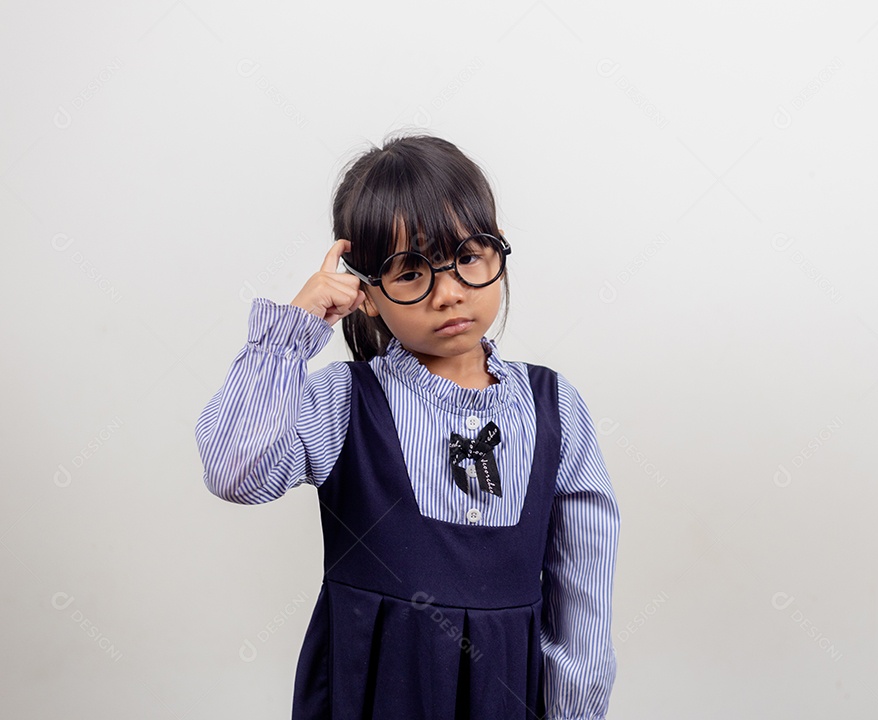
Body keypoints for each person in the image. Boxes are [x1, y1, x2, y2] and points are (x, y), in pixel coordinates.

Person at [195, 132, 621, 719]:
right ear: (367, 294)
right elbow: (234, 472)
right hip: (370, 694)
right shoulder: (344, 401)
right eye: (410, 272)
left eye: (468, 257)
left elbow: (583, 596)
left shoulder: (556, 408)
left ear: (498, 252)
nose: (448, 294)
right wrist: (291, 332)